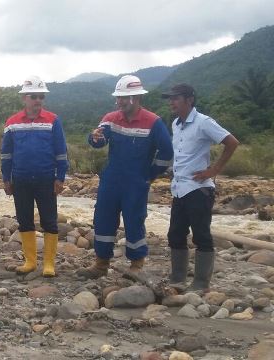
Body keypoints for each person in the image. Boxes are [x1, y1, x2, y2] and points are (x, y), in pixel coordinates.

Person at [77, 75, 173, 279]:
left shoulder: (153, 122)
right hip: (111, 180)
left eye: (123, 98)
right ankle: (101, 264)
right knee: (102, 219)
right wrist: (94, 138)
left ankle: (136, 264)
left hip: (136, 182)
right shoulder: (111, 118)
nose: (119, 102)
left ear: (136, 98)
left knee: (134, 221)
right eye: (118, 98)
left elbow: (166, 152)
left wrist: (150, 175)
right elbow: (99, 140)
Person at [162, 84, 239, 292]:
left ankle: (201, 283)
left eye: (175, 98)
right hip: (179, 188)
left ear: (189, 100)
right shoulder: (176, 124)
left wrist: (214, 170)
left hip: (199, 189)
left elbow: (231, 142)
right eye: (170, 98)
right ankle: (177, 279)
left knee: (201, 235)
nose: (171, 102)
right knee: (175, 234)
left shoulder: (204, 122)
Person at [1, 76, 68, 278]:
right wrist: (6, 178)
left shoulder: (53, 120)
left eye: (41, 97)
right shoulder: (12, 123)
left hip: (46, 178)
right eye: (34, 96)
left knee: (50, 221)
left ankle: (48, 264)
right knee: (25, 220)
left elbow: (61, 151)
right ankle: (30, 261)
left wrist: (61, 177)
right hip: (20, 180)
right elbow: (6, 154)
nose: (38, 100)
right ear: (24, 98)